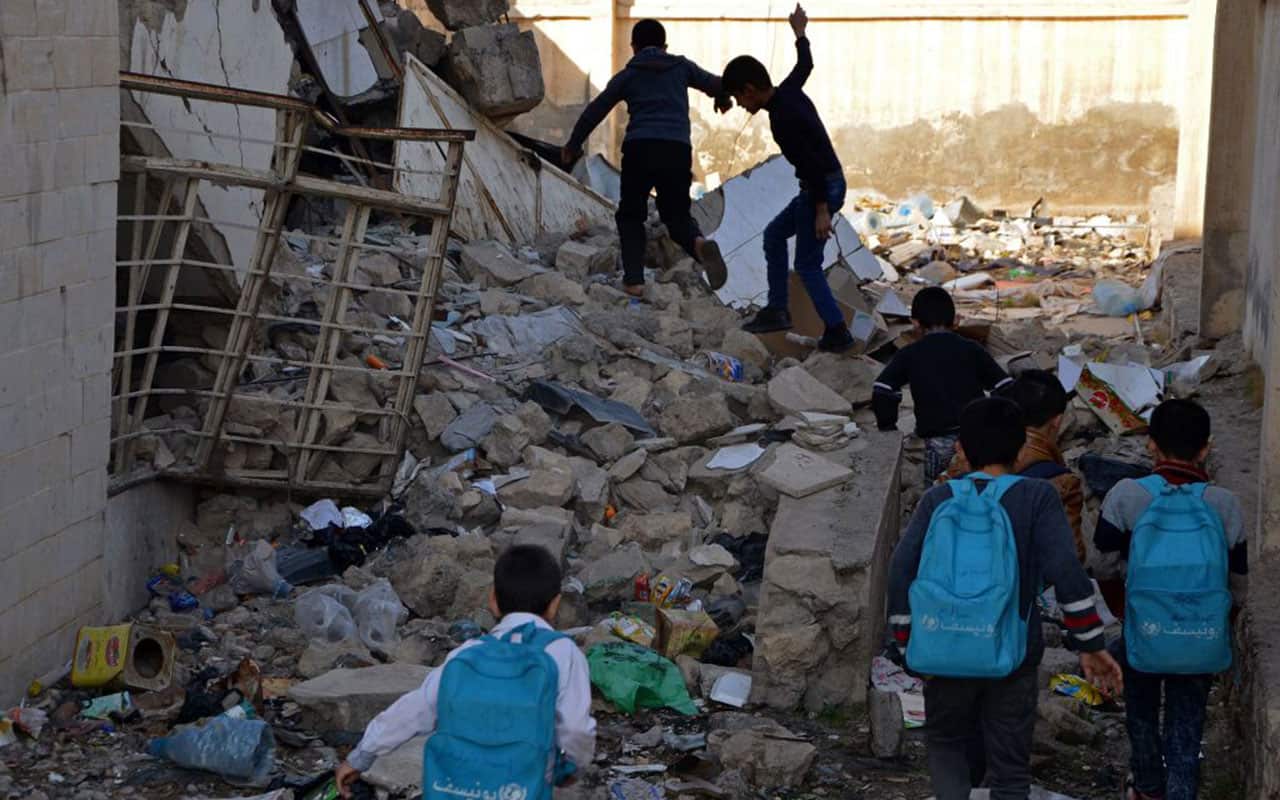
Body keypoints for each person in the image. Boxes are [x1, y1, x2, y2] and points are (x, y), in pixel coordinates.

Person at [887, 396, 1123, 800]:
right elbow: (1068, 572)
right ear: (1019, 450)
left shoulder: (937, 499)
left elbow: (900, 570)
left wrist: (908, 643)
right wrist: (1091, 646)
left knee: (947, 745)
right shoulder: (1036, 497)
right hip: (1012, 657)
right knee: (1010, 768)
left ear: (961, 449)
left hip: (943, 650)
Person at [333, 545, 596, 799]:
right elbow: (575, 731)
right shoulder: (564, 653)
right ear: (555, 605)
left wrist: (361, 756)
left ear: (492, 600)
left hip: (457, 788)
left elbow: (415, 709)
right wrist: (570, 770)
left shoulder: (467, 652)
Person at [1096, 399, 1246, 800]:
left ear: (1150, 445)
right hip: (1201, 628)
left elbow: (1103, 565)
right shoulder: (1224, 504)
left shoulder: (1126, 495)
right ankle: (1182, 789)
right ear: (1205, 449)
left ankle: (1146, 786)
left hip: (1144, 623)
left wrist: (1125, 610)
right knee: (1188, 715)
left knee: (1141, 710)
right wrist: (1217, 621)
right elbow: (1238, 582)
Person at [562, 19, 731, 299]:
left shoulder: (629, 74)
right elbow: (716, 83)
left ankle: (634, 281)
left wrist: (573, 143)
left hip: (640, 148)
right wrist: (723, 97)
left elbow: (596, 109)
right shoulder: (681, 67)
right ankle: (699, 244)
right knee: (676, 215)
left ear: (634, 48)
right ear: (665, 46)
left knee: (631, 214)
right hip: (676, 149)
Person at [721, 4, 855, 352]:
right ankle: (778, 308)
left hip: (820, 187)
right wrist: (799, 33)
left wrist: (822, 209)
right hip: (823, 184)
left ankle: (837, 330)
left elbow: (809, 164)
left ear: (750, 90)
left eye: (738, 97)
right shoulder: (788, 91)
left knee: (807, 264)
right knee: (774, 235)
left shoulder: (781, 118)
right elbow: (806, 65)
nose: (739, 104)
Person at [872, 287, 1012, 483]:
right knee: (981, 487)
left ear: (915, 323)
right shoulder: (972, 349)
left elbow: (883, 390)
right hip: (976, 436)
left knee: (939, 494)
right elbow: (1005, 387)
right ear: (956, 320)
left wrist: (888, 427)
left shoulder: (910, 354)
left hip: (937, 442)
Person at [944, 369, 1086, 563]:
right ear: (1057, 421)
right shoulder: (1062, 483)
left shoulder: (963, 462)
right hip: (1020, 591)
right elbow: (1069, 560)